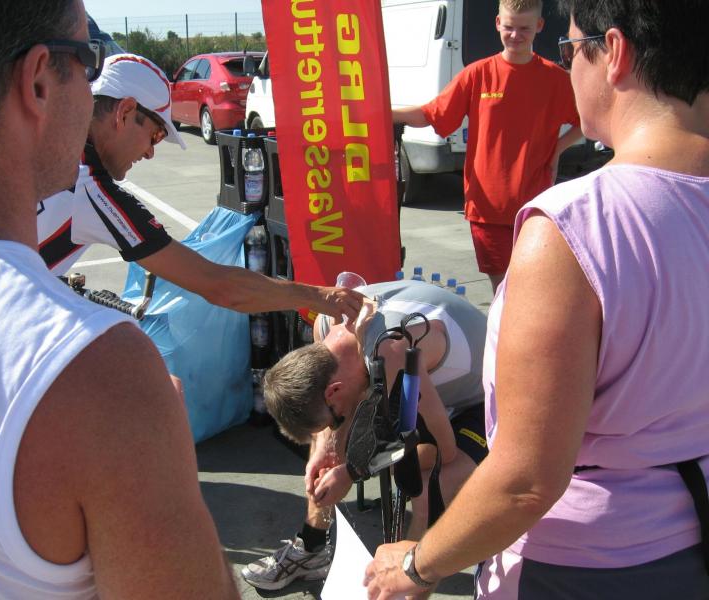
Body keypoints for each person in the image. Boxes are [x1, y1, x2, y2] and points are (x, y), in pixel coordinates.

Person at [365, 0, 709, 598]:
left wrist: (418, 565)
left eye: (571, 51)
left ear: (615, 53)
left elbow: (526, 481)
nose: (568, 68)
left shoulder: (578, 227)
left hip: (581, 565)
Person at [0, 1, 238, 598]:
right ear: (38, 81)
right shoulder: (104, 376)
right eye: (88, 64)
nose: (93, 95)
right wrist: (158, 460)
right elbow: (214, 283)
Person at [37, 53, 363, 321]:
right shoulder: (90, 187)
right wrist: (320, 297)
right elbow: (220, 286)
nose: (150, 153)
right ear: (125, 112)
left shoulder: (40, 138)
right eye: (155, 135)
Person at [242, 280, 488, 591]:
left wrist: (354, 470)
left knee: (430, 487)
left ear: (333, 391)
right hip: (422, 387)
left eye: (333, 417)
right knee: (337, 446)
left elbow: (443, 450)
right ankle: (312, 545)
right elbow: (341, 416)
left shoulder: (393, 351)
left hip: (483, 399)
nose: (334, 425)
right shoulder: (326, 324)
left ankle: (402, 590)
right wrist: (328, 449)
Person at [393, 0, 583, 294]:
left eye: (524, 28)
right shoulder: (477, 74)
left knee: (535, 290)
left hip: (536, 207)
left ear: (539, 26)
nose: (515, 35)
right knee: (503, 291)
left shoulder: (555, 80)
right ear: (497, 23)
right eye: (509, 27)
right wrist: (383, 113)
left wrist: (558, 148)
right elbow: (431, 114)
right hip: (487, 209)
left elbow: (587, 120)